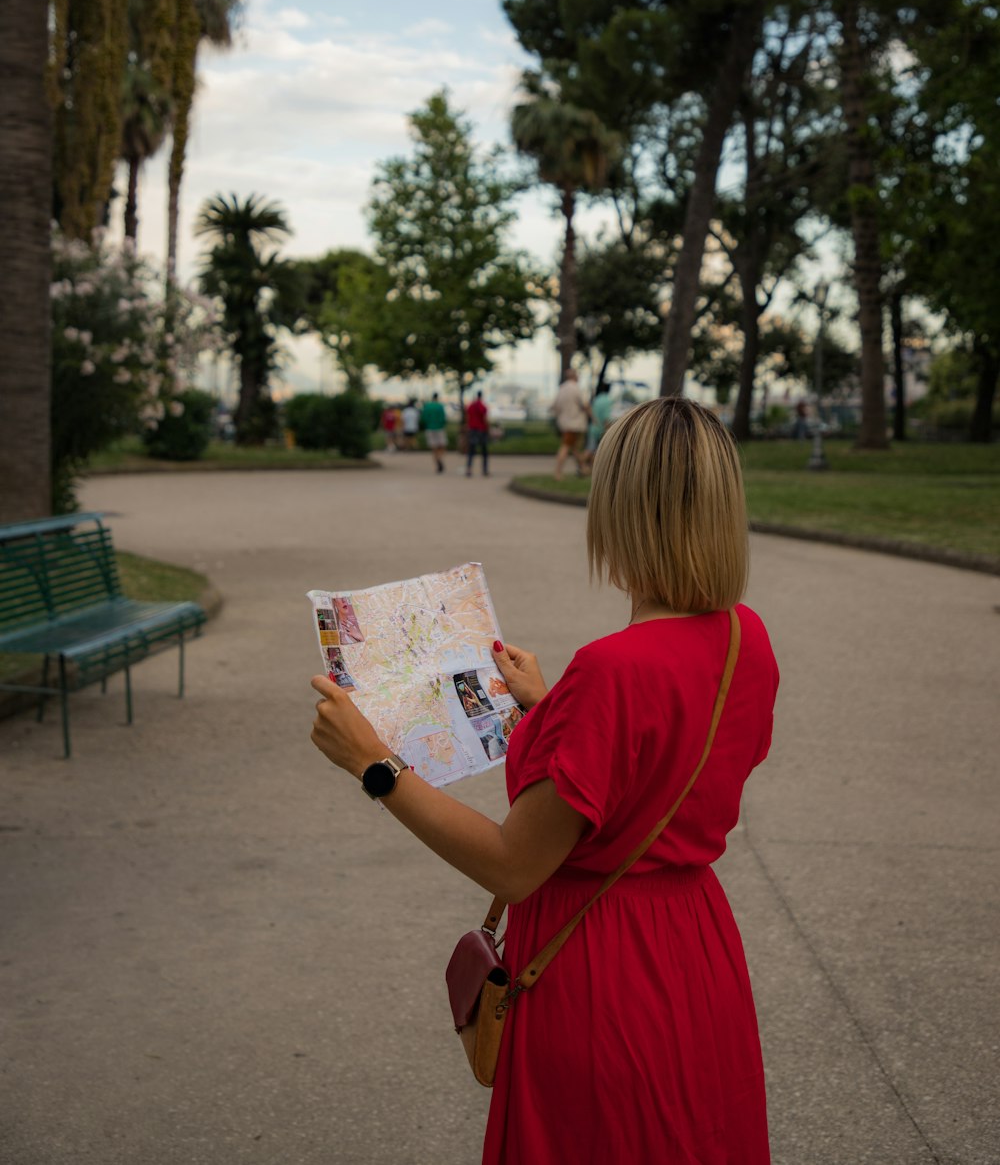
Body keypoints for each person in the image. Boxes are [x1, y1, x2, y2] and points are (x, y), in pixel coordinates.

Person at [310, 396, 779, 1164]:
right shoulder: (743, 637)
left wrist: (372, 762)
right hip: (695, 953)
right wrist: (548, 707)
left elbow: (512, 865)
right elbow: (665, 767)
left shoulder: (612, 670)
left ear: (620, 513)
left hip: (603, 975)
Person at [550, 368, 590, 479]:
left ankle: (584, 468)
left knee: (574, 448)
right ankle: (558, 472)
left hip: (564, 423)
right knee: (566, 447)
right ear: (575, 376)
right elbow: (585, 405)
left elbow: (554, 406)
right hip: (575, 423)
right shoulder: (576, 388)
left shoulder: (562, 389)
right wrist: (593, 418)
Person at [582, 377, 614, 473]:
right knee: (594, 450)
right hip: (601, 428)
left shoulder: (597, 399)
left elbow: (591, 410)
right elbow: (606, 417)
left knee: (591, 450)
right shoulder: (608, 400)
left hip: (593, 427)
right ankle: (582, 466)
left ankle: (589, 469)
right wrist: (608, 428)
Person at [421, 391, 448, 473]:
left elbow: (423, 418)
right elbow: (443, 418)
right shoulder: (440, 406)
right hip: (439, 428)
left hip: (429, 428)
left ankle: (437, 461)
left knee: (434, 447)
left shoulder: (427, 406)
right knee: (442, 445)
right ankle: (439, 458)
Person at [464, 389, 490, 478]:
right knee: (484, 451)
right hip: (481, 430)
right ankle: (485, 470)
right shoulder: (482, 406)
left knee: (471, 451)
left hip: (472, 429)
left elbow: (468, 417)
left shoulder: (471, 405)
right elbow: (485, 418)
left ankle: (469, 469)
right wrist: (488, 428)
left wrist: (468, 427)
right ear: (481, 396)